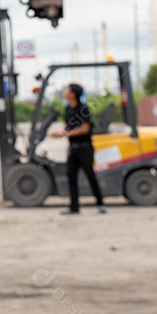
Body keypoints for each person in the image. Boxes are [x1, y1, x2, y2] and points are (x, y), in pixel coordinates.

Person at [50, 83, 106, 215]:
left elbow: (84, 129)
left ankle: (100, 204)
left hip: (85, 148)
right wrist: (60, 132)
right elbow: (66, 125)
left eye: (67, 90)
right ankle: (74, 208)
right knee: (71, 176)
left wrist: (67, 134)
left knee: (90, 175)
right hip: (73, 149)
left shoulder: (83, 109)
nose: (65, 91)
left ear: (73, 94)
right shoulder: (68, 109)